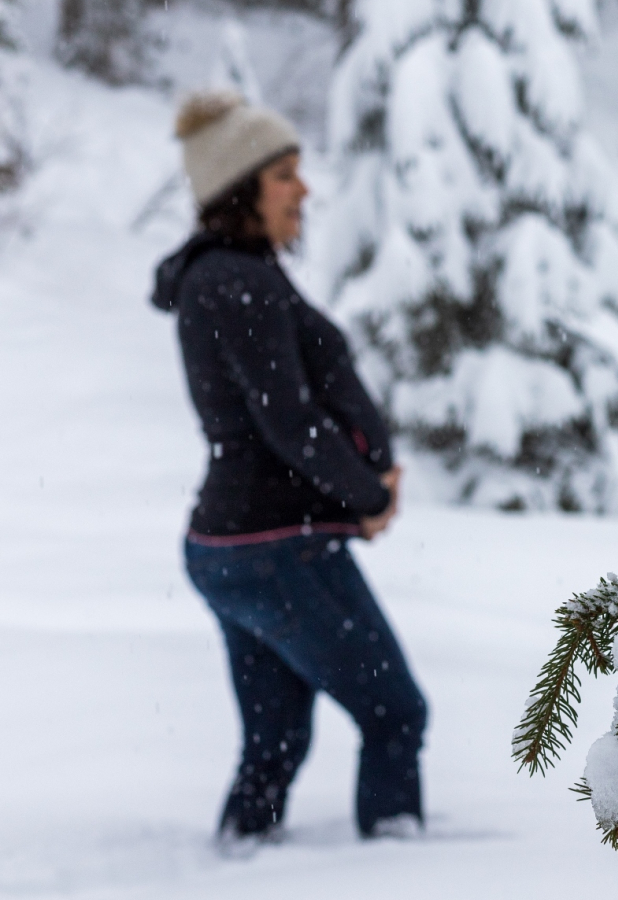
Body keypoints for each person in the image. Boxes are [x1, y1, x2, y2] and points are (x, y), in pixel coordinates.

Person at [150, 91, 428, 846]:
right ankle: (406, 873)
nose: (303, 189)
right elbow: (288, 420)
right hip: (278, 546)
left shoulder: (234, 275)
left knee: (276, 738)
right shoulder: (236, 280)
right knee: (395, 713)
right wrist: (368, 493)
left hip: (244, 544)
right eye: (284, 174)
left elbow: (289, 413)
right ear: (239, 188)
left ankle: (238, 857)